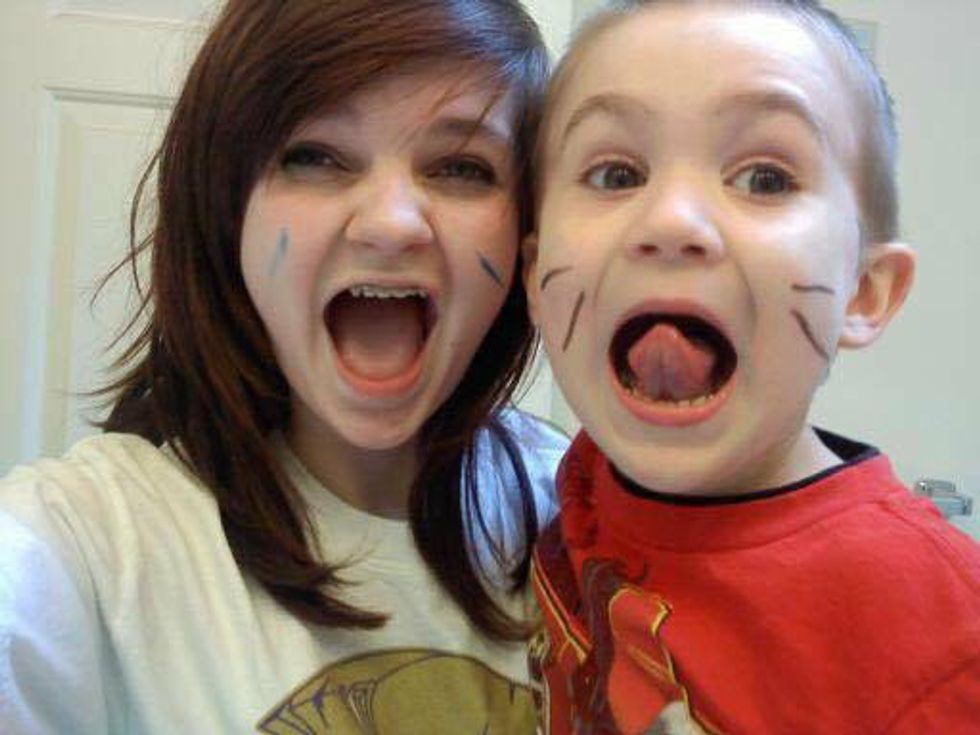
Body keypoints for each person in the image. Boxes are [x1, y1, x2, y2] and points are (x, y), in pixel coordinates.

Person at [0, 1, 569, 732]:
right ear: (225, 208)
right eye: (315, 156)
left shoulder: (580, 518)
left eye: (461, 167)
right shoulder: (81, 547)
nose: (392, 223)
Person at [521, 1, 980, 732]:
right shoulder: (578, 484)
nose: (671, 221)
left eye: (764, 178)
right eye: (615, 173)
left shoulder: (948, 633)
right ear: (533, 276)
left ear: (865, 292)